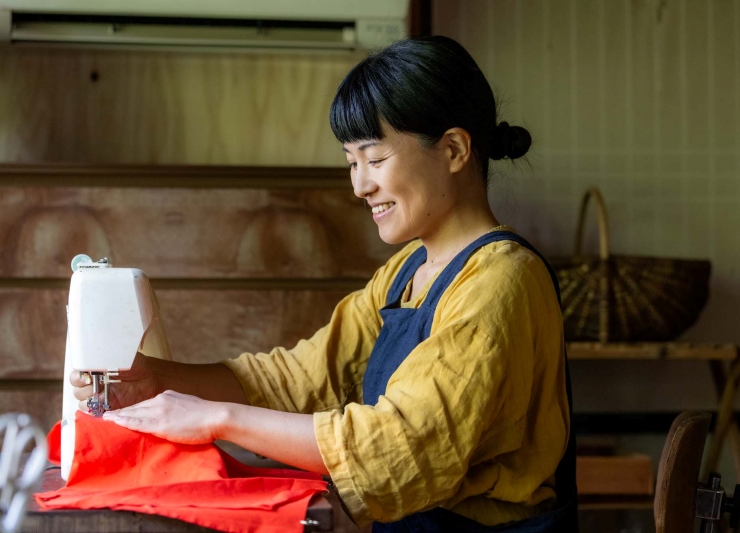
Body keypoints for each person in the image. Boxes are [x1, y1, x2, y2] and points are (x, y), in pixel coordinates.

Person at [72, 35, 577, 532]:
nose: (360, 185)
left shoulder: (501, 280)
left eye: (375, 159)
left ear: (453, 149)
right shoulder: (407, 271)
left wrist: (216, 418)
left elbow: (401, 445)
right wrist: (155, 379)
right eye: (352, 162)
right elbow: (303, 379)